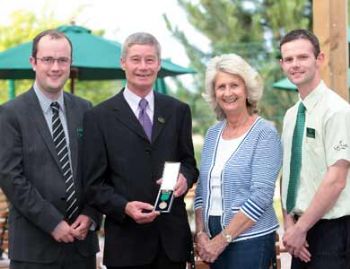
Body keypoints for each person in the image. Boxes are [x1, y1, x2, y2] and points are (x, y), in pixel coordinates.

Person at [82, 32, 199, 269]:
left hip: (172, 244)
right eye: (136, 59)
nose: (143, 67)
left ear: (158, 64)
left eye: (150, 60)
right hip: (127, 245)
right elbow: (92, 185)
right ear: (123, 63)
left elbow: (189, 163)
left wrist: (185, 178)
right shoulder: (98, 117)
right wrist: (124, 207)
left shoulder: (178, 110)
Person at [0, 30, 101, 269]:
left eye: (62, 60)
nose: (55, 67)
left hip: (82, 247)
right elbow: (10, 177)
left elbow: (98, 170)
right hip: (34, 250)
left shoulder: (86, 110)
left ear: (70, 64)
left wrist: (91, 214)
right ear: (33, 62)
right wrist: (52, 222)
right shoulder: (10, 113)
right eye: (48, 60)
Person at [194, 53, 282, 269]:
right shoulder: (213, 134)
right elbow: (201, 190)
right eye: (221, 87)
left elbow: (261, 195)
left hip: (249, 240)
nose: (227, 92)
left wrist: (223, 239)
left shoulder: (265, 133)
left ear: (247, 90)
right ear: (214, 93)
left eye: (234, 85)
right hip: (212, 237)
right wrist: (201, 233)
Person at [280, 29, 350, 269]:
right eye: (288, 59)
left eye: (302, 57)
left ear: (319, 59)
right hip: (299, 232)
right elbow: (288, 173)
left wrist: (301, 228)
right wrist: (290, 225)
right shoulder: (291, 116)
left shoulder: (338, 111)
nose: (295, 65)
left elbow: (337, 180)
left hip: (331, 232)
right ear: (282, 64)